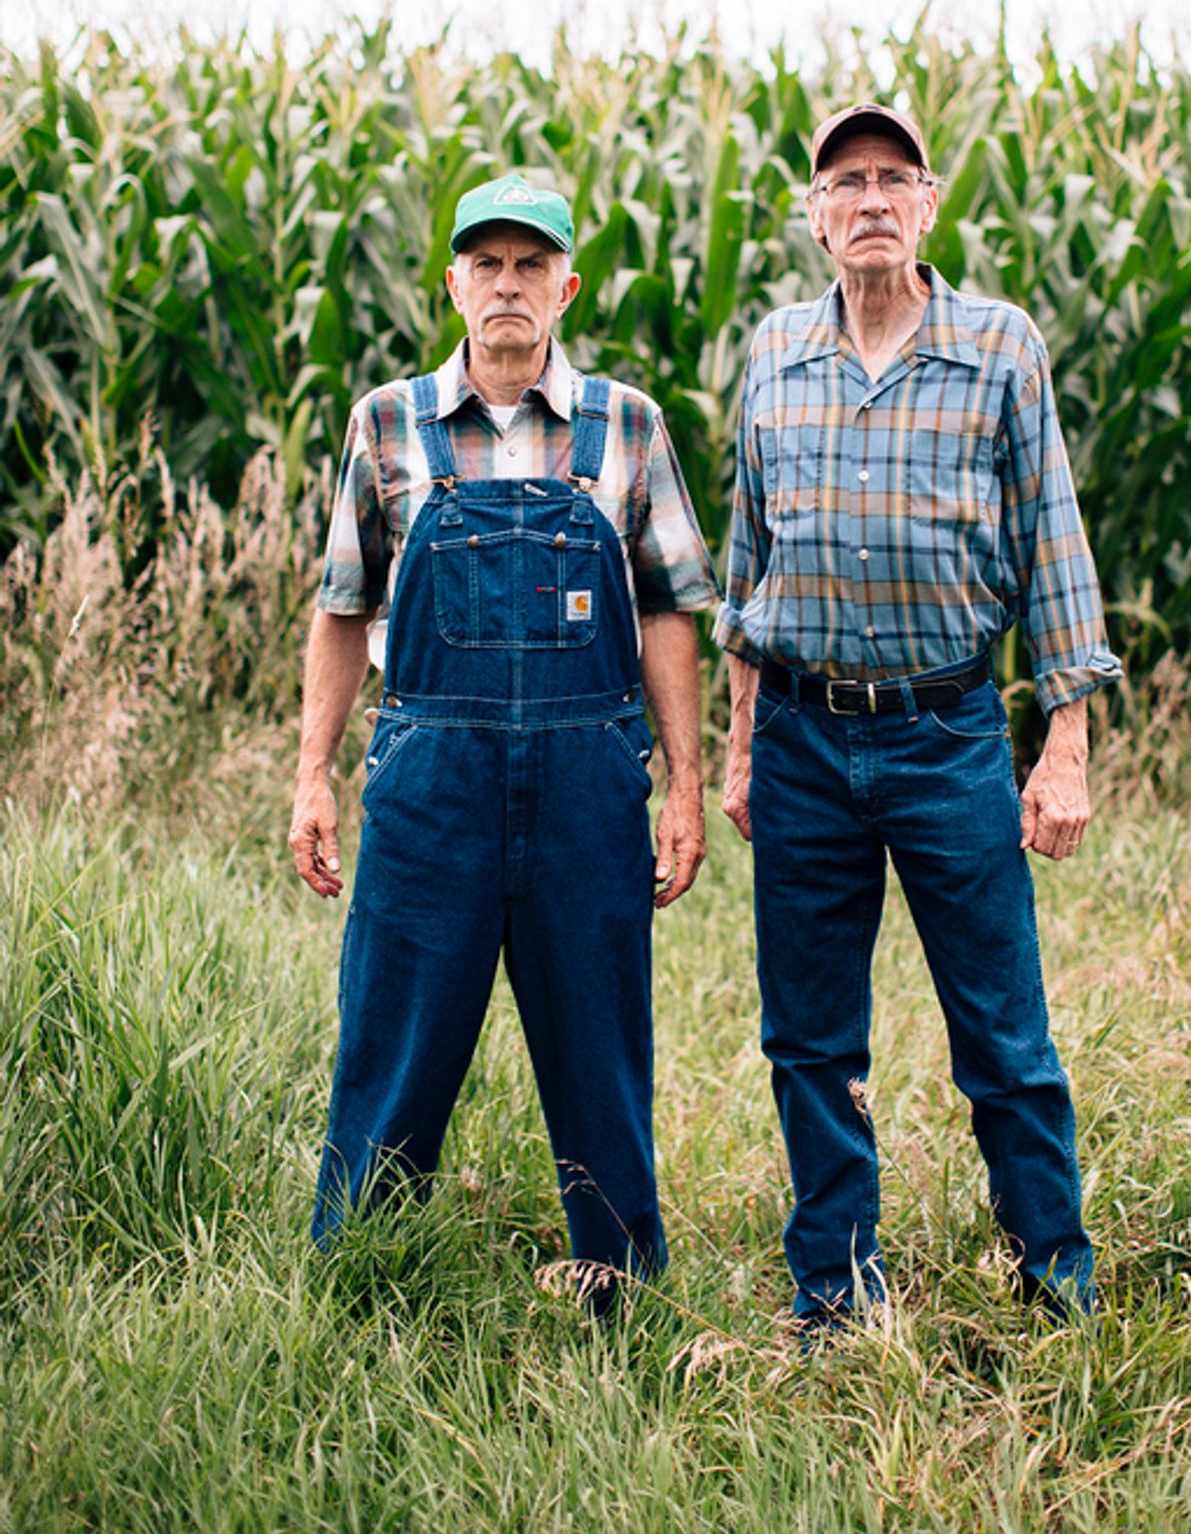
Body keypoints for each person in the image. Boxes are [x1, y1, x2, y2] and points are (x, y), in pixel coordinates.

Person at [717, 102, 1121, 1328]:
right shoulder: (774, 354)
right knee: (809, 1038)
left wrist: (1063, 745)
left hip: (945, 737)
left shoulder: (997, 348)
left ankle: (1052, 1279)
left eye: (895, 178)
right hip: (798, 735)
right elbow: (746, 571)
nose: (872, 199)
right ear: (815, 215)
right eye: (847, 182)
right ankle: (832, 1290)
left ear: (930, 204)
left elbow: (1051, 541)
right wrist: (737, 747)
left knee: (1001, 1031)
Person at [289, 171, 717, 1301]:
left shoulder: (628, 424)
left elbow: (671, 606)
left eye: (531, 266)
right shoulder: (388, 423)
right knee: (394, 1036)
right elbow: (341, 608)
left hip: (587, 780)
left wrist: (683, 784)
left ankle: (622, 1288)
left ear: (566, 287)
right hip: (431, 781)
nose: (508, 286)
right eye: (487, 264)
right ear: (454, 284)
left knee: (599, 1044)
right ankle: (360, 1283)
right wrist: (313, 778)